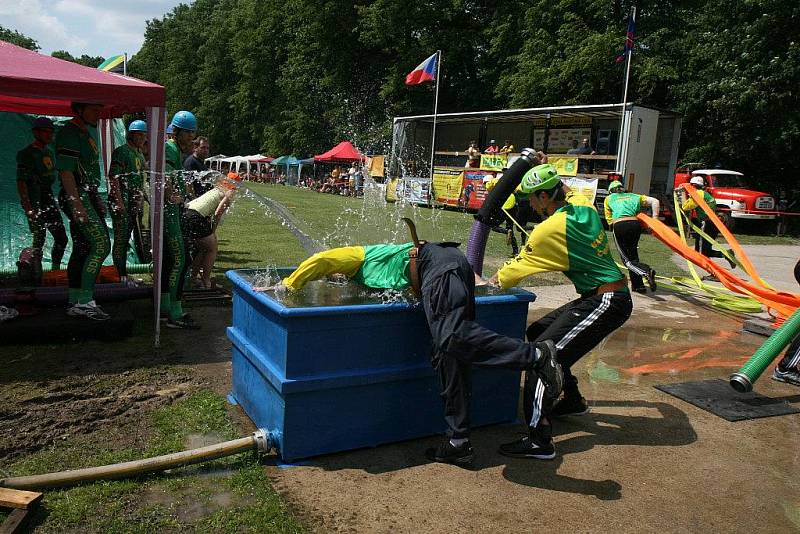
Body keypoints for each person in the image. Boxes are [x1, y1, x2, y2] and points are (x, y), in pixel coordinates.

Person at [255, 230, 563, 466]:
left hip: (437, 267)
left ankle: (536, 355)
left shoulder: (359, 256)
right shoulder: (373, 273)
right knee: (448, 357)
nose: (335, 279)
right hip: (447, 268)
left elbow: (321, 260)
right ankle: (458, 443)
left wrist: (289, 286)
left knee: (450, 337)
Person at [486, 164, 633, 459]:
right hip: (604, 295)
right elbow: (572, 192)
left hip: (606, 301)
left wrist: (486, 284)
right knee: (538, 331)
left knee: (542, 355)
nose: (529, 204)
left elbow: (512, 273)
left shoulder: (549, 230)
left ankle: (540, 439)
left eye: (531, 198)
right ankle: (572, 399)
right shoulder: (584, 208)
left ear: (543, 197)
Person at [56, 103, 112, 320]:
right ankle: (85, 302)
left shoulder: (84, 132)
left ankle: (74, 300)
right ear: (79, 110)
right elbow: (66, 172)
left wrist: (96, 197)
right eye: (94, 109)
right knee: (101, 245)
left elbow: (87, 171)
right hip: (76, 195)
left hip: (85, 194)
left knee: (82, 248)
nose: (98, 113)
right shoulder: (70, 132)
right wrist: (77, 204)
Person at [16, 117, 68, 283]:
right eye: (46, 132)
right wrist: (27, 207)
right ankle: (34, 276)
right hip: (35, 199)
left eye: (51, 132)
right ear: (36, 132)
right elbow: (21, 181)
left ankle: (54, 271)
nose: (49, 135)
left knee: (61, 237)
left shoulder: (48, 152)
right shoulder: (26, 154)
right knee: (39, 238)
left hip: (47, 198)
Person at [162, 110, 198, 329]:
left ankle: (166, 306)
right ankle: (175, 314)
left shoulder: (174, 150)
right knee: (180, 260)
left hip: (171, 213)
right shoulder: (170, 149)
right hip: (169, 214)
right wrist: (170, 195)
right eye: (188, 133)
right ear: (177, 132)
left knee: (170, 260)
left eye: (192, 133)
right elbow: (164, 176)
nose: (191, 138)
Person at [184, 172, 241, 289]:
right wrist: (213, 231)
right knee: (212, 249)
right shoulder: (229, 193)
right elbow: (218, 213)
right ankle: (206, 281)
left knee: (202, 249)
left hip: (187, 212)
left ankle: (193, 279)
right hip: (196, 216)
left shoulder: (217, 189)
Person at [108, 120, 148, 283]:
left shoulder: (139, 153)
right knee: (121, 239)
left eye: (143, 135)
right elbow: (114, 177)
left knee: (126, 240)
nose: (142, 138)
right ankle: (120, 276)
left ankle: (123, 275)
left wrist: (141, 199)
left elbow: (138, 180)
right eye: (139, 134)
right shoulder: (121, 152)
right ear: (130, 134)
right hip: (121, 200)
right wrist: (119, 202)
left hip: (132, 202)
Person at [604, 180, 658, 293]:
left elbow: (609, 221)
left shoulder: (609, 198)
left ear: (610, 191)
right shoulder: (635, 196)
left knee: (627, 261)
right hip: (635, 225)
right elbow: (655, 201)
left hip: (620, 225)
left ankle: (646, 271)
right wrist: (654, 221)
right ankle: (638, 286)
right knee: (633, 256)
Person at [681, 176, 735, 274]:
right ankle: (726, 256)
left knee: (702, 253)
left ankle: (716, 271)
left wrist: (681, 195)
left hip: (705, 224)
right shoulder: (705, 194)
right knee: (704, 251)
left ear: (693, 185)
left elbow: (685, 206)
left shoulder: (698, 194)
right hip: (712, 224)